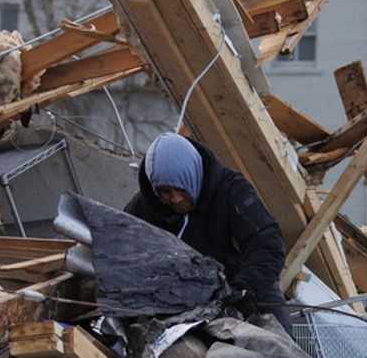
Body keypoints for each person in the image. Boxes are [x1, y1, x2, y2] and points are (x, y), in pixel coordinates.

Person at [126, 132, 293, 330]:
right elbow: (121, 242)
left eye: (181, 188)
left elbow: (269, 247)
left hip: (242, 287)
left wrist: (239, 291)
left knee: (280, 343)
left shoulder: (233, 191)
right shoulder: (146, 205)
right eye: (166, 191)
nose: (176, 199)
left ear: (193, 175)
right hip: (178, 293)